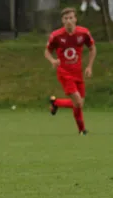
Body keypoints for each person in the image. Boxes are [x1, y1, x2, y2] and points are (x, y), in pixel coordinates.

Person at [46, 7, 96, 136]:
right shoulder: (56, 35)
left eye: (71, 18)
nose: (68, 21)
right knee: (78, 102)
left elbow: (92, 48)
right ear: (62, 21)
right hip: (64, 73)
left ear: (75, 19)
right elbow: (47, 51)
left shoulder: (83, 33)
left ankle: (55, 103)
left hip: (78, 73)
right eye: (66, 18)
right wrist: (52, 60)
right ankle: (82, 130)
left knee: (79, 104)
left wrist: (89, 66)